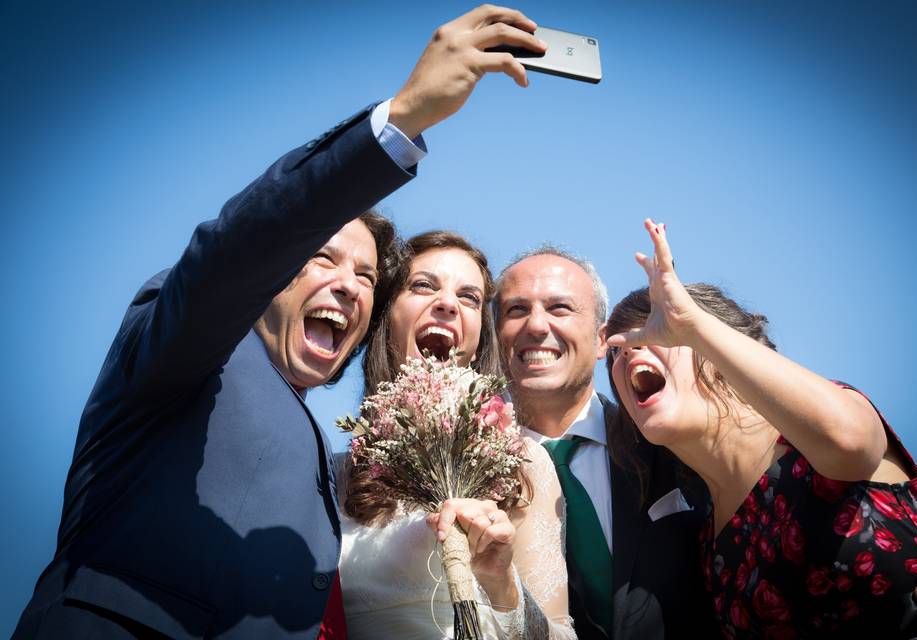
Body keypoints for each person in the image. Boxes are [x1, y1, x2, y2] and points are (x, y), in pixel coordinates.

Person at [13, 5, 546, 638]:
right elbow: (236, 251)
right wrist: (401, 120)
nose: (348, 284)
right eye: (322, 256)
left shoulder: (329, 453)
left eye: (367, 276)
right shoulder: (190, 347)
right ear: (270, 276)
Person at [604, 218, 917, 638]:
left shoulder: (811, 435)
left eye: (655, 329)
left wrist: (692, 325)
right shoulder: (704, 542)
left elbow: (849, 441)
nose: (629, 352)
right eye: (617, 350)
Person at [337, 231, 575, 639]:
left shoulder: (523, 463)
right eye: (424, 285)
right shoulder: (335, 472)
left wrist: (501, 583)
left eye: (469, 298)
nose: (447, 303)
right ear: (385, 315)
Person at [494, 247, 720, 638]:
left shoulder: (668, 442)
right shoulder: (466, 468)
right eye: (516, 310)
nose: (536, 325)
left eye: (559, 308)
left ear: (603, 341)